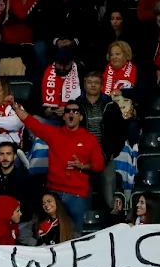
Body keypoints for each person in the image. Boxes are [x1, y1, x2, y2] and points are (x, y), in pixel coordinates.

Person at [11, 98, 103, 230]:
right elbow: (33, 123)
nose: (71, 114)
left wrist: (82, 166)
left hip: (77, 196)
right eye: (68, 111)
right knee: (53, 233)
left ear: (81, 117)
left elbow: (99, 166)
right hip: (54, 194)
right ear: (64, 116)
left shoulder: (90, 139)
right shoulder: (54, 134)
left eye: (75, 112)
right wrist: (15, 107)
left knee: (76, 235)